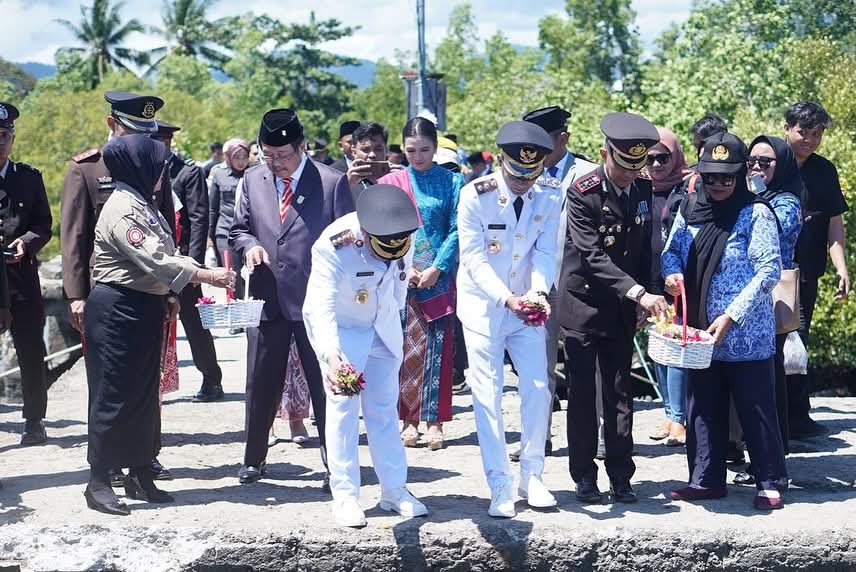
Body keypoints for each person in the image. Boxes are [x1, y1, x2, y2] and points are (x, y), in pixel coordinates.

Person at [84, 134, 234, 515]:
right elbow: (156, 258)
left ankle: (139, 472)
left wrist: (167, 294)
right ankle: (99, 480)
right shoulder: (121, 208)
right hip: (118, 308)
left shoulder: (142, 203)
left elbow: (165, 253)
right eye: (157, 165)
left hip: (144, 305)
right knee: (113, 397)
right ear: (139, 168)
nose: (162, 172)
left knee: (144, 395)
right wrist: (207, 275)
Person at [229, 108, 354, 488]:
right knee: (260, 380)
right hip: (268, 296)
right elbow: (239, 229)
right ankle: (253, 459)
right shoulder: (253, 179)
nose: (276, 164)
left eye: (283, 156)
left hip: (317, 300)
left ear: (302, 147)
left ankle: (336, 464)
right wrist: (249, 246)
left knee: (323, 382)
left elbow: (349, 239)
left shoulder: (332, 183)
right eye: (268, 156)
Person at [664, 132, 787, 510]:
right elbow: (671, 252)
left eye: (726, 178)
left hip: (746, 332)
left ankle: (769, 479)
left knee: (755, 407)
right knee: (702, 406)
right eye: (711, 176)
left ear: (739, 176)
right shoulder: (689, 208)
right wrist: (671, 275)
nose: (717, 185)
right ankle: (706, 479)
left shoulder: (756, 213)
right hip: (700, 331)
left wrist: (732, 315)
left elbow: (769, 270)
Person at [61, 90, 177, 486]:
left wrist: (172, 290)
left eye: (147, 134)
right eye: (132, 132)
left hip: (148, 292)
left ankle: (141, 461)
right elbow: (74, 237)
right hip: (106, 292)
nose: (141, 142)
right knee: (109, 384)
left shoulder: (151, 165)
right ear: (113, 125)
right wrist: (76, 295)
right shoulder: (86, 168)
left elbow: (163, 231)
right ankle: (106, 463)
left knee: (145, 385)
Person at [559, 112, 668, 504]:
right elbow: (591, 256)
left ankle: (621, 475)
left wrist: (649, 291)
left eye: (635, 166)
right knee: (585, 396)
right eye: (622, 166)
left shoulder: (642, 188)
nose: (627, 174)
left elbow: (646, 246)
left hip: (623, 307)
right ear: (605, 153)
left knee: (620, 394)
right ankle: (584, 476)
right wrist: (639, 293)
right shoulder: (583, 191)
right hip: (584, 305)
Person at [303, 184, 428, 528]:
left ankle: (394, 490)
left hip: (383, 330)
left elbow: (398, 285)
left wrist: (395, 330)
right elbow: (320, 306)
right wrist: (332, 357)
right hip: (343, 333)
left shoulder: (401, 232)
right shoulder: (334, 245)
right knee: (343, 411)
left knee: (384, 410)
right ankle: (344, 496)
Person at [457, 120, 561, 518]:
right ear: (500, 159)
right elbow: (474, 259)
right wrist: (507, 299)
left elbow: (546, 252)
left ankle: (532, 473)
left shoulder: (550, 194)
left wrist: (537, 292)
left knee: (538, 386)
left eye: (530, 174)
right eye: (516, 173)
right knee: (489, 395)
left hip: (526, 307)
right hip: (485, 307)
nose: (522, 182)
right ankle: (499, 483)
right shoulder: (475, 196)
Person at [514, 105, 598, 462]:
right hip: (537, 285)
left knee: (587, 365)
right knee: (535, 366)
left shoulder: (589, 173)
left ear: (562, 138)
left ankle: (597, 435)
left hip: (582, 285)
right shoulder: (518, 172)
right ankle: (537, 437)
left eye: (541, 142)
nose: (531, 150)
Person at [376, 117, 462, 451]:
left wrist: (438, 267)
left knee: (439, 351)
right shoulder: (391, 182)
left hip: (438, 280)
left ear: (435, 148)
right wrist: (405, 265)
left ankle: (435, 422)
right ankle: (407, 420)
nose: (418, 156)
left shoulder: (452, 182)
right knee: (403, 350)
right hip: (399, 277)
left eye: (425, 149)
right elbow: (381, 228)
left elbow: (458, 228)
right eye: (411, 150)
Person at [784, 101, 849, 439]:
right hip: (772, 273)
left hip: (807, 271)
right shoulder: (770, 163)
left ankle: (797, 414)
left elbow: (833, 222)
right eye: (802, 132)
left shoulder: (824, 170)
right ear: (787, 129)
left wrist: (842, 268)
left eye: (816, 133)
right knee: (773, 343)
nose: (809, 139)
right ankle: (780, 414)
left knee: (800, 339)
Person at [153, 121, 224, 403]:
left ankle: (211, 379)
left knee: (194, 324)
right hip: (157, 260)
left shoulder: (187, 172)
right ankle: (155, 383)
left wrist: (194, 266)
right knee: (155, 322)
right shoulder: (144, 171)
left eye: (162, 141)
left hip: (183, 260)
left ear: (169, 143)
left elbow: (198, 219)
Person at [0, 102, 53, 445]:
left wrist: (27, 242)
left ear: (13, 139)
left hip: (20, 276)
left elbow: (44, 225)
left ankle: (34, 420)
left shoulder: (28, 178)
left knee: (31, 351)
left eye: (4, 135)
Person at [645, 127, 691, 447]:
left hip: (678, 284)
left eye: (663, 157)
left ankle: (679, 419)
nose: (657, 165)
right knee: (660, 352)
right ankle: (668, 412)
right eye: (649, 158)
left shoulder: (689, 187)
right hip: (650, 285)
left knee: (676, 352)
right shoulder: (639, 188)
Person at [209, 138, 251, 305]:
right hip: (225, 231)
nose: (241, 162)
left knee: (247, 273)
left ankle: (249, 308)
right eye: (237, 157)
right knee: (231, 272)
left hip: (248, 231)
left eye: (244, 157)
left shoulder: (254, 174)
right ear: (228, 158)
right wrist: (209, 235)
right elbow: (213, 208)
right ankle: (235, 309)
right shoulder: (219, 174)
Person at [345, 122, 400, 201]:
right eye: (365, 150)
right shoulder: (343, 181)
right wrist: (346, 186)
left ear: (386, 150)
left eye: (378, 149)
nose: (372, 155)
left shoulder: (398, 178)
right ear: (354, 151)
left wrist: (402, 182)